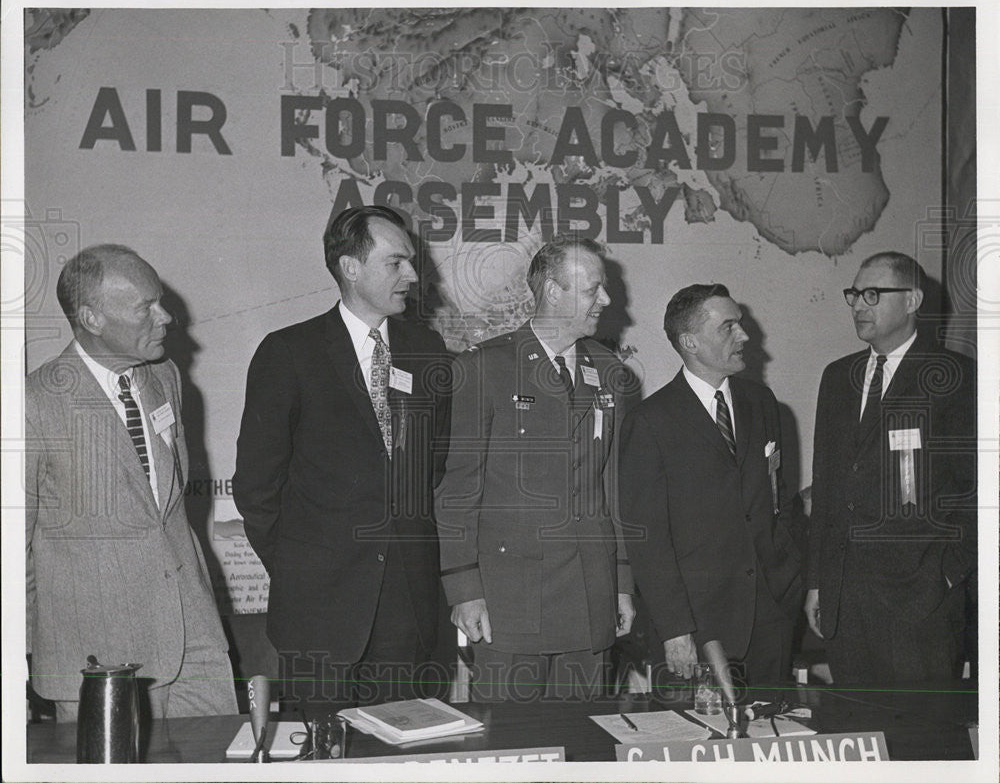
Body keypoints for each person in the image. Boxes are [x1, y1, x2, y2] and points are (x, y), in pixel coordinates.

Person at [233, 205, 451, 714]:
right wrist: (300, 569)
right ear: (350, 268)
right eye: (396, 262)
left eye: (412, 262)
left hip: (407, 610)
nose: (413, 276)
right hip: (319, 611)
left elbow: (432, 468)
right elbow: (257, 488)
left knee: (402, 761)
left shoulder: (428, 350)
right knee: (323, 757)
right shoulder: (289, 352)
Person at [25, 244, 237, 721]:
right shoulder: (35, 403)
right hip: (98, 662)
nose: (166, 317)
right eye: (146, 307)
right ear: (92, 318)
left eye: (160, 301)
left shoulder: (165, 378)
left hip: (195, 643)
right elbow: (12, 551)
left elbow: (165, 513)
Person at [434, 235, 635, 701]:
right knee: (511, 745)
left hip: (590, 594)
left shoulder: (608, 371)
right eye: (593, 290)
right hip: (511, 601)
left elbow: (614, 488)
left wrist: (622, 582)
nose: (605, 300)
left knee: (588, 747)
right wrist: (464, 589)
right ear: (552, 291)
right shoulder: (485, 368)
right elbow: (457, 490)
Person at [618, 284, 803, 687]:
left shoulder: (762, 402)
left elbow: (778, 499)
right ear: (690, 342)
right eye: (729, 327)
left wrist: (788, 580)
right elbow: (647, 539)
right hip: (696, 629)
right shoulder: (650, 422)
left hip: (770, 618)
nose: (745, 336)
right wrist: (673, 629)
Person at [805, 252, 976, 685]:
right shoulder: (836, 377)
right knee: (859, 732)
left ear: (913, 300)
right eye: (855, 295)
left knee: (920, 739)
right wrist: (818, 582)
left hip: (922, 606)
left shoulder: (956, 378)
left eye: (873, 294)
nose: (859, 305)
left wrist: (947, 574)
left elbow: (980, 492)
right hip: (847, 604)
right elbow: (826, 490)